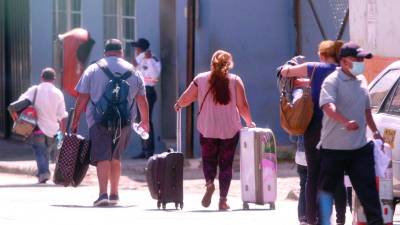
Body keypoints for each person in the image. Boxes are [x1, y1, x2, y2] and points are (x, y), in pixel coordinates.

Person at [174, 50, 255, 211]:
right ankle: (223, 200)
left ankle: (210, 183)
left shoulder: (201, 79)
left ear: (212, 63)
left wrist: (178, 104)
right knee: (226, 165)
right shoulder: (235, 80)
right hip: (230, 128)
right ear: (229, 64)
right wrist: (249, 121)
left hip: (207, 127)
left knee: (208, 159)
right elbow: (243, 105)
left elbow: (187, 97)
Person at [72, 39, 150, 207]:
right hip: (125, 121)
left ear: (105, 52)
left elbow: (82, 98)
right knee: (115, 157)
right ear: (121, 52)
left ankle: (102, 195)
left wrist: (76, 119)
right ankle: (115, 194)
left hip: (98, 120)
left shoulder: (93, 69)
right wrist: (145, 121)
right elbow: (142, 99)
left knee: (102, 156)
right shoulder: (134, 71)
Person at [280, 40, 348, 224]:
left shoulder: (314, 67)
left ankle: (311, 219)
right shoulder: (344, 72)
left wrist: (289, 66)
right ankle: (341, 219)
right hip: (337, 127)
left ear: (323, 55)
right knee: (338, 176)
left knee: (312, 175)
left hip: (314, 127)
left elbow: (284, 72)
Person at [318, 42, 383, 225]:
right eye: (358, 59)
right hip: (333, 149)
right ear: (345, 62)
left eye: (363, 59)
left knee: (368, 192)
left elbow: (367, 111)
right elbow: (328, 106)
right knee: (327, 191)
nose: (361, 62)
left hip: (359, 148)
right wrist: (345, 121)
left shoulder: (362, 80)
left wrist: (375, 132)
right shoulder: (332, 81)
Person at [12, 68, 67, 183]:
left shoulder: (35, 90)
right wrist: (63, 131)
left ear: (41, 77)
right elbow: (62, 115)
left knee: (40, 151)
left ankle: (43, 173)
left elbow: (20, 102)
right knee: (48, 151)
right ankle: (51, 173)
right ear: (54, 79)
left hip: (38, 129)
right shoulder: (58, 93)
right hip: (54, 129)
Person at [131, 38, 161, 159]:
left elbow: (154, 75)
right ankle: (145, 149)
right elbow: (133, 66)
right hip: (139, 92)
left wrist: (147, 60)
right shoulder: (140, 58)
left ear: (140, 48)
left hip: (148, 91)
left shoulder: (153, 59)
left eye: (137, 48)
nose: (135, 50)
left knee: (146, 120)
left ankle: (149, 150)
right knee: (140, 120)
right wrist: (141, 58)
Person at [294, 135, 308, 225]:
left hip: (301, 156)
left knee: (303, 187)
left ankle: (302, 217)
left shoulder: (299, 120)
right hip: (315, 154)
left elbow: (292, 137)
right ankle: (315, 216)